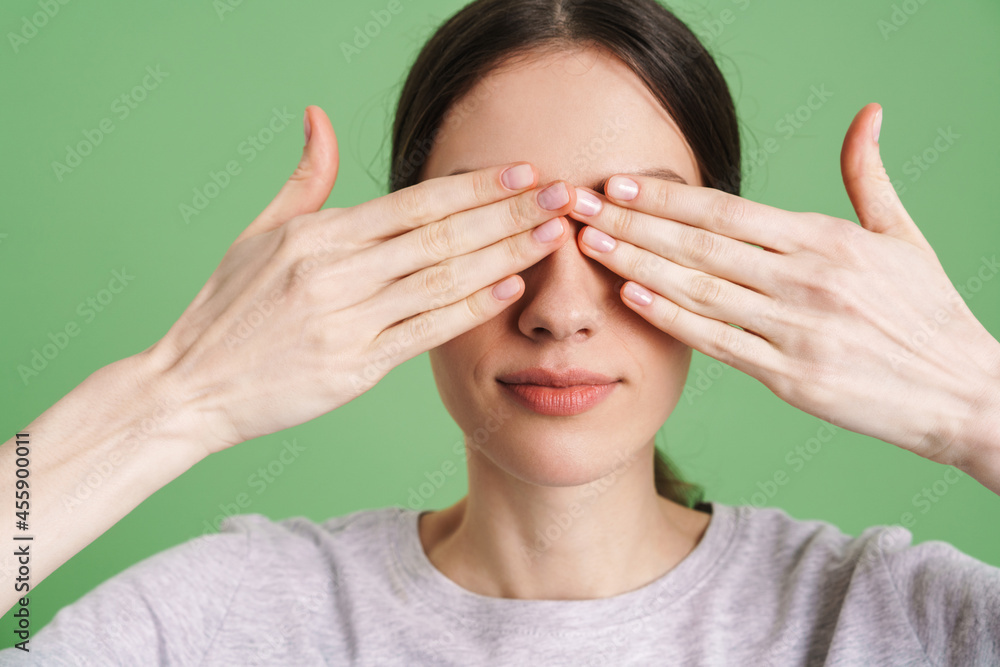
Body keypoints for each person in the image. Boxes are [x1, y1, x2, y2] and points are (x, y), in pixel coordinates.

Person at [2, 0, 999, 663]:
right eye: (493, 227)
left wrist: (974, 405)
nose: (558, 308)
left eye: (631, 228)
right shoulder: (225, 619)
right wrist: (179, 395)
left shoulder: (892, 621)